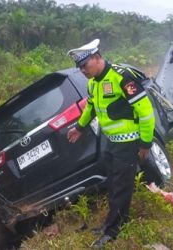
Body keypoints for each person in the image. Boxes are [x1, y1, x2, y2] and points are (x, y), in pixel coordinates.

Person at [66, 39, 155, 248]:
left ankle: (112, 230)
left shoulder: (121, 77)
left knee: (121, 186)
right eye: (79, 68)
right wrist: (79, 128)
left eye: (85, 65)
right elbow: (91, 108)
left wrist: (145, 143)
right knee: (113, 183)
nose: (83, 71)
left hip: (130, 142)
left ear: (97, 58)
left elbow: (146, 111)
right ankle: (114, 223)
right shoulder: (93, 83)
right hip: (111, 142)